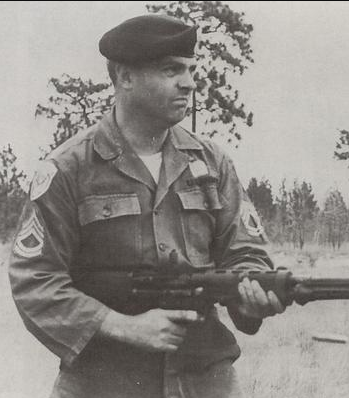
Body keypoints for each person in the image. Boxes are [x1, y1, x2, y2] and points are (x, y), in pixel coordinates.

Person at [9, 14, 284, 398]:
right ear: (124, 77)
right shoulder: (70, 168)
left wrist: (251, 295)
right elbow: (35, 279)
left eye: (191, 70)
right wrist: (121, 325)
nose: (188, 83)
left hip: (204, 381)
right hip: (103, 383)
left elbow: (244, 251)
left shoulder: (211, 162)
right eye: (171, 70)